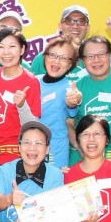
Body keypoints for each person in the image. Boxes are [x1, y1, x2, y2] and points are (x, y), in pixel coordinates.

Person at [0, 28, 41, 164]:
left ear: (22, 50)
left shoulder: (30, 81)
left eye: (12, 46)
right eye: (0, 47)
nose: (6, 52)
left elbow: (32, 127)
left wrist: (22, 105)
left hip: (12, 157)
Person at [36, 37, 80, 169]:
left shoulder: (69, 88)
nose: (56, 61)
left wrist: (74, 101)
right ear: (45, 56)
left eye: (64, 58)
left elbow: (72, 105)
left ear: (71, 65)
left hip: (55, 152)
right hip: (30, 149)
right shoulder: (33, 81)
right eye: (53, 55)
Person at [30, 5, 92, 76]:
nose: (75, 26)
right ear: (60, 26)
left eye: (81, 22)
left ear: (88, 27)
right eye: (69, 21)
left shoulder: (95, 59)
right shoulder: (42, 59)